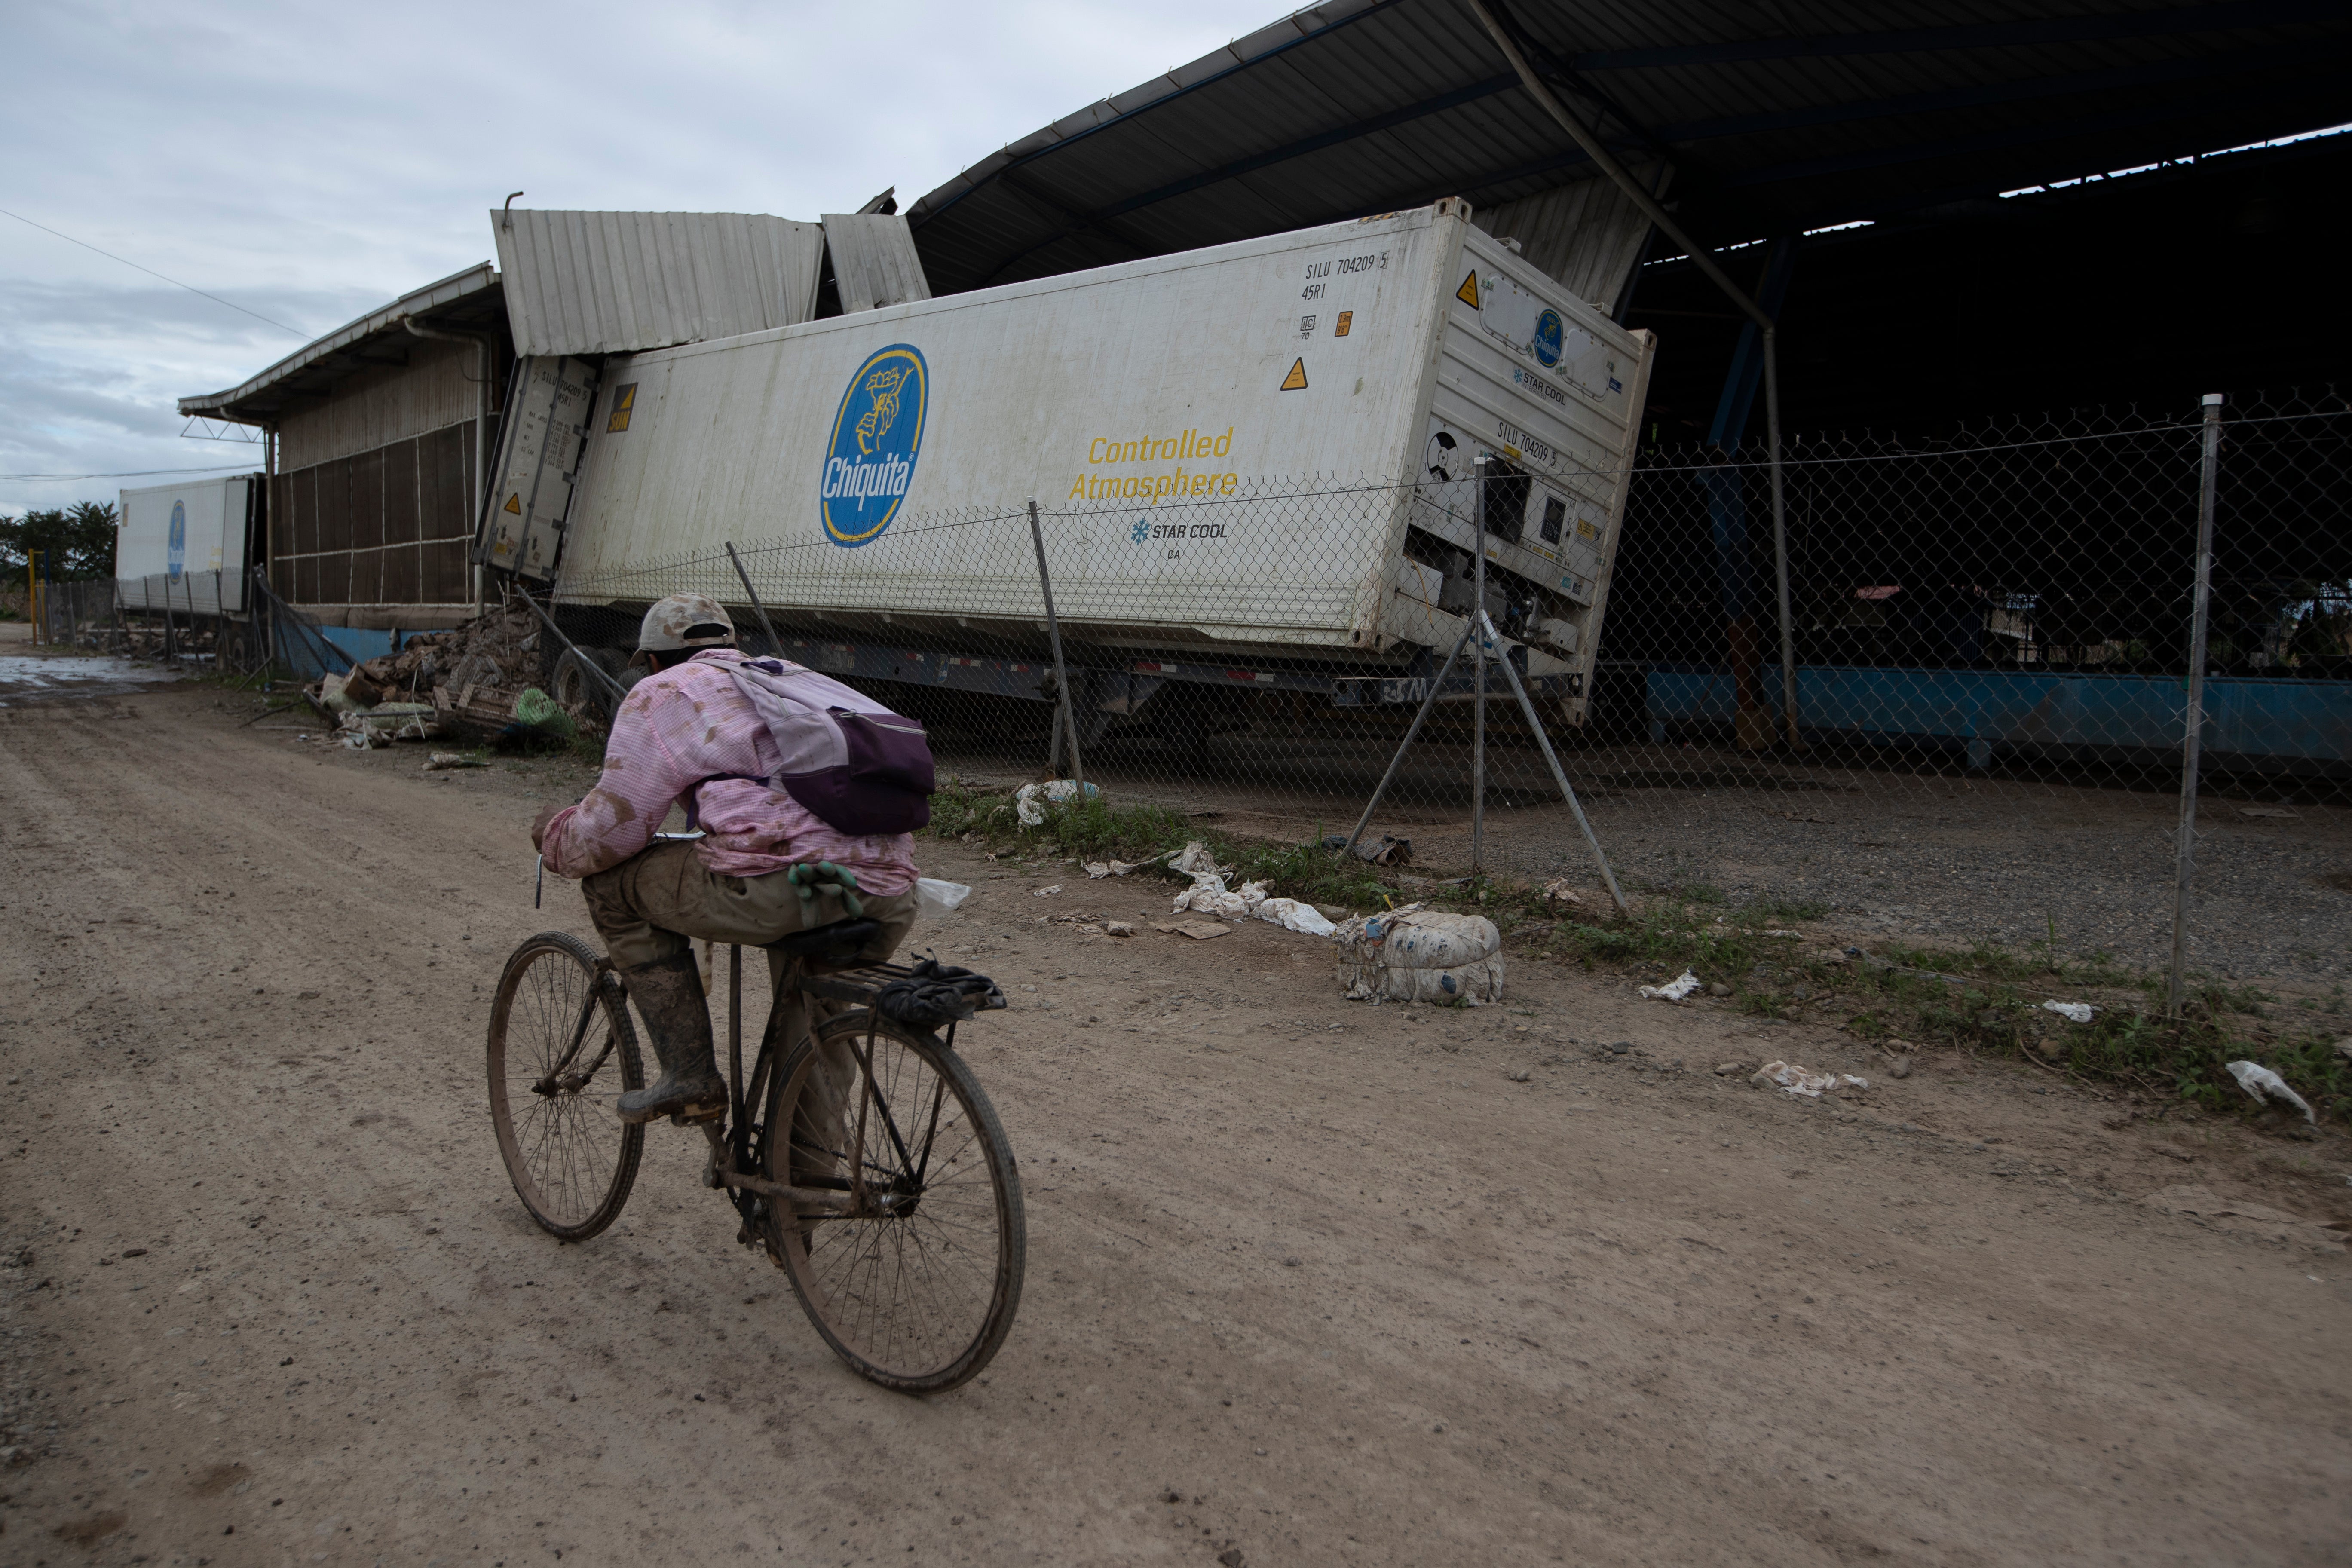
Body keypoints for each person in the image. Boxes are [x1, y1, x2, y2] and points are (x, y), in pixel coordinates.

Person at [533, 593, 920, 1124]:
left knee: (610, 887)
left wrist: (556, 836)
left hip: (781, 884)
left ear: (650, 660)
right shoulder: (788, 678)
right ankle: (798, 1201)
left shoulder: (661, 691)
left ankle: (689, 1074)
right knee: (815, 1034)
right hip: (887, 889)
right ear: (730, 647)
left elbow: (610, 833)